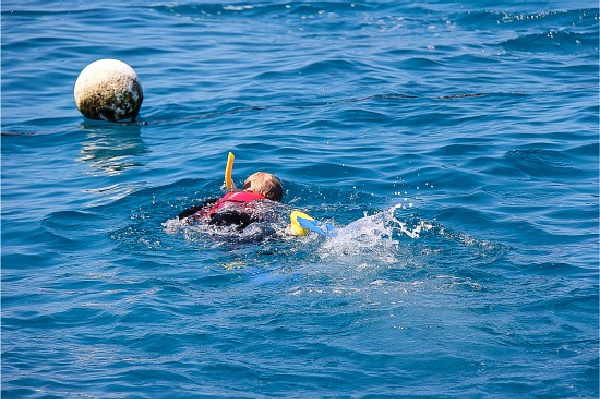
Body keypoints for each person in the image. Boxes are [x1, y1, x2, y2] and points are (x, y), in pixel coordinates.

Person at [178, 172, 283, 230]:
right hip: (239, 216)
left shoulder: (230, 196)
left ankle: (177, 223)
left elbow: (201, 208)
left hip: (217, 216)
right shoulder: (264, 202)